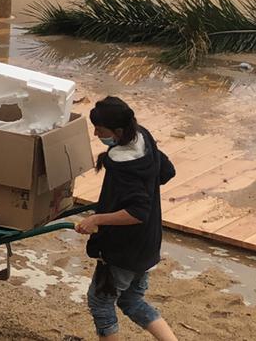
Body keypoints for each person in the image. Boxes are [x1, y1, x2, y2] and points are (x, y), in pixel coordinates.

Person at [74, 96, 179, 341]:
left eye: (100, 130)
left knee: (100, 301)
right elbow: (167, 171)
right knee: (131, 299)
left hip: (124, 248)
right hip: (147, 243)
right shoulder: (143, 137)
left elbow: (137, 213)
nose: (97, 134)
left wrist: (97, 219)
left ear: (118, 131)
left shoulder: (125, 168)